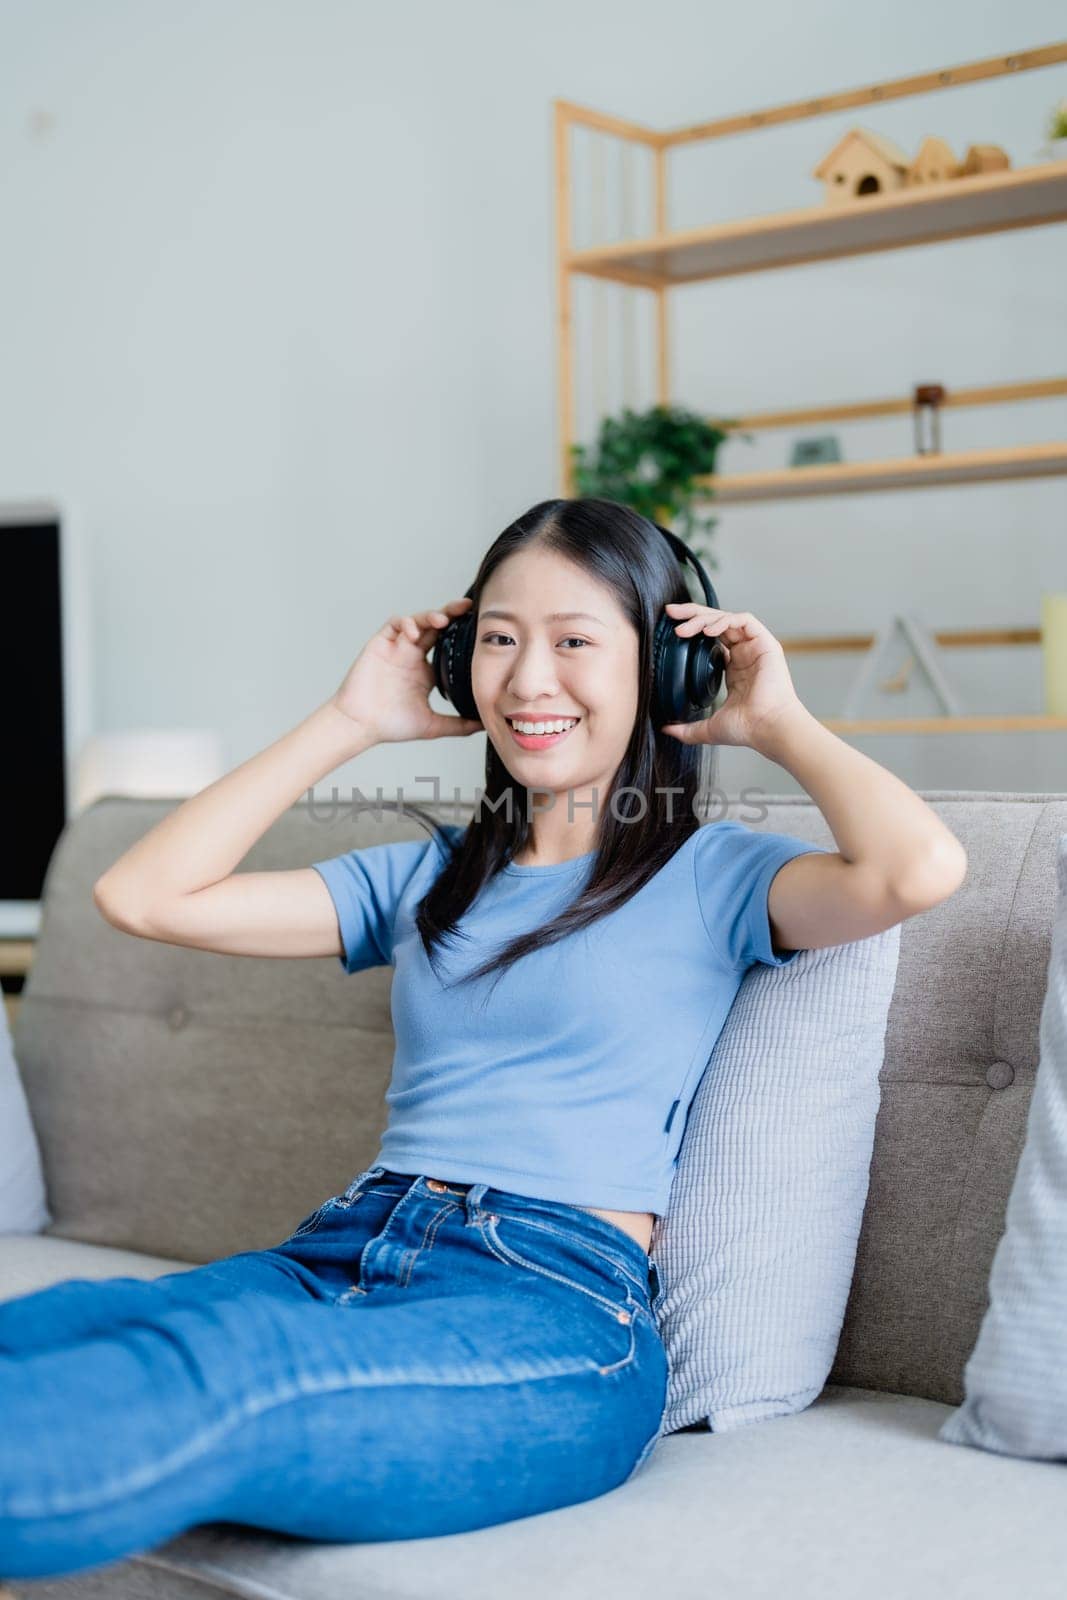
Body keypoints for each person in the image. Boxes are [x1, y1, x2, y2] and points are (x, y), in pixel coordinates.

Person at [0, 498, 967, 1579]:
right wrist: (350, 719)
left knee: (207, 1369)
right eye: (498, 638)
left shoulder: (714, 876)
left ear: (663, 666)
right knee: (61, 1328)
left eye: (572, 641)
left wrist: (775, 720)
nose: (526, 679)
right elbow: (139, 894)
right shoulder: (425, 875)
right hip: (339, 1252)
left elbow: (914, 870)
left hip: (547, 1300)